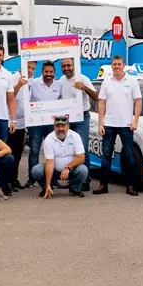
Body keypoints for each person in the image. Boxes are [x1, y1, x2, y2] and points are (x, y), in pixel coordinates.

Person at [95, 55, 142, 196]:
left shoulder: (132, 81)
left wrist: (135, 120)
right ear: (112, 66)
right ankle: (103, 185)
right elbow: (101, 102)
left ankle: (131, 186)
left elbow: (138, 102)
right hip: (109, 123)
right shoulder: (106, 82)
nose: (117, 66)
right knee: (106, 155)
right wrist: (100, 123)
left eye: (119, 64)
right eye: (114, 64)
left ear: (124, 65)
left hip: (126, 124)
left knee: (129, 155)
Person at [59, 57, 98, 192]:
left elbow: (96, 97)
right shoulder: (61, 81)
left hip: (82, 117)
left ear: (74, 65)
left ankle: (85, 181)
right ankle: (74, 180)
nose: (66, 68)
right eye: (63, 66)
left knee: (82, 149)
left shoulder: (83, 78)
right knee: (69, 150)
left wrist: (84, 88)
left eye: (68, 65)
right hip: (67, 120)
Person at [25, 60, 63, 188]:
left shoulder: (59, 85)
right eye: (46, 71)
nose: (48, 74)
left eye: (51, 72)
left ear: (54, 72)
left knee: (52, 151)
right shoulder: (34, 83)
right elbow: (27, 100)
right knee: (34, 150)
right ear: (42, 72)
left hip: (53, 124)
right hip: (36, 123)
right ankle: (32, 179)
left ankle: (53, 178)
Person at [32, 115, 89, 198]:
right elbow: (50, 163)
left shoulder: (75, 136)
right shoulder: (49, 139)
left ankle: (74, 189)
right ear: (54, 127)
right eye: (58, 126)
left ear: (68, 126)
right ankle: (47, 188)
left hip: (71, 170)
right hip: (54, 170)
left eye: (63, 126)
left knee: (83, 170)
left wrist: (68, 168)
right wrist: (47, 184)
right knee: (36, 170)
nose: (60, 129)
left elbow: (81, 157)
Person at [9, 61, 35, 191]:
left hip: (22, 123)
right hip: (10, 122)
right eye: (28, 67)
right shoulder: (12, 78)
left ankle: (14, 179)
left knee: (18, 154)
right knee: (10, 153)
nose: (30, 70)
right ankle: (7, 180)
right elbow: (8, 97)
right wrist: (18, 85)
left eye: (33, 68)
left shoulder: (31, 81)